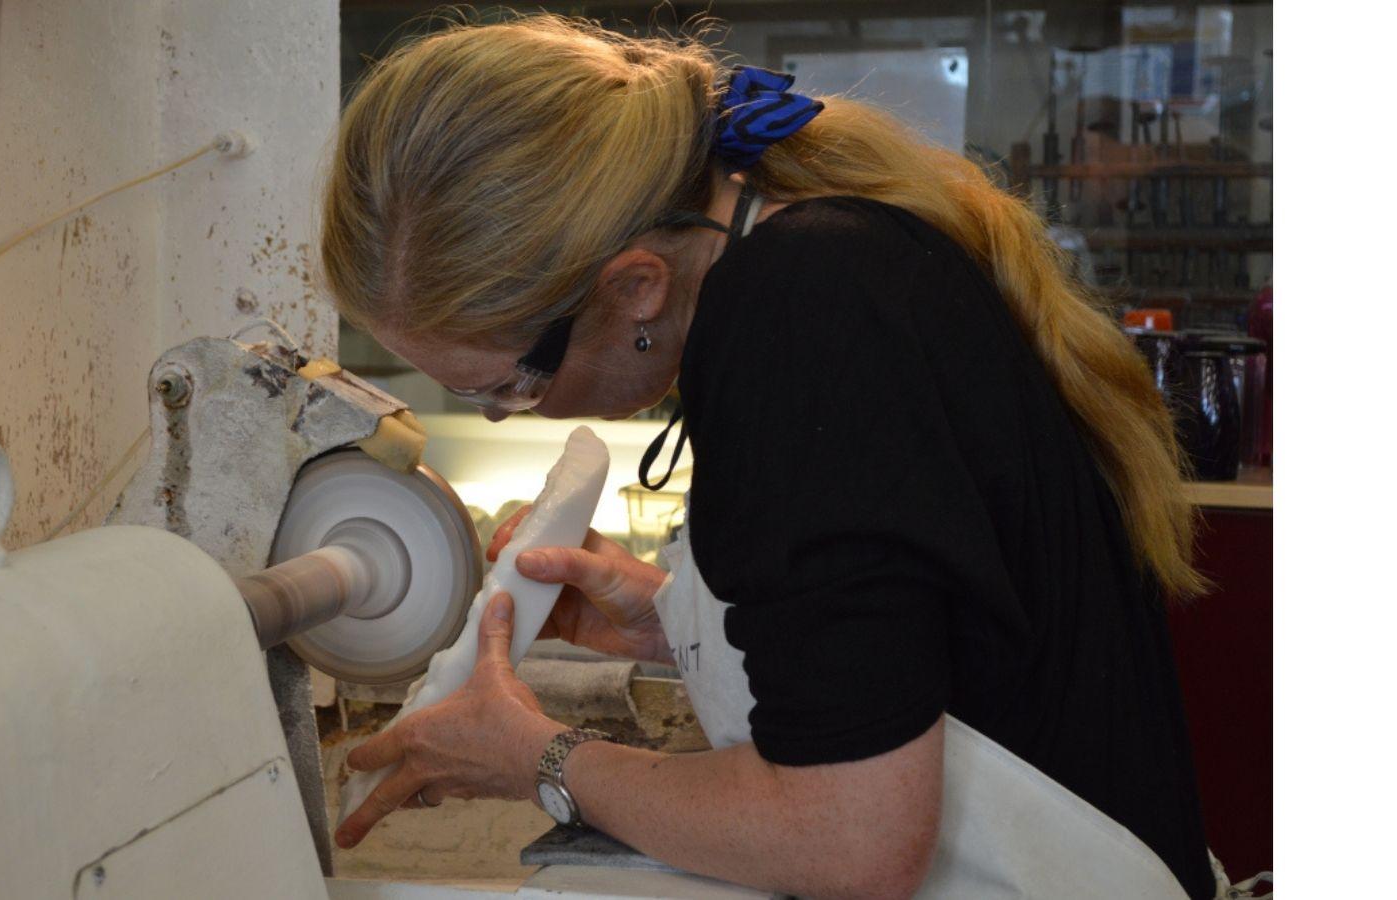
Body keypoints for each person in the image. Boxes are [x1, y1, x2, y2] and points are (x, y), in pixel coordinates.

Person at [319, 15, 1221, 899]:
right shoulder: (826, 265)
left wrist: (538, 758)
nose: (513, 415)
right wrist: (682, 628)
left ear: (637, 286)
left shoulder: (802, 316)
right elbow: (930, 636)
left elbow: (850, 838)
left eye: (512, 384)